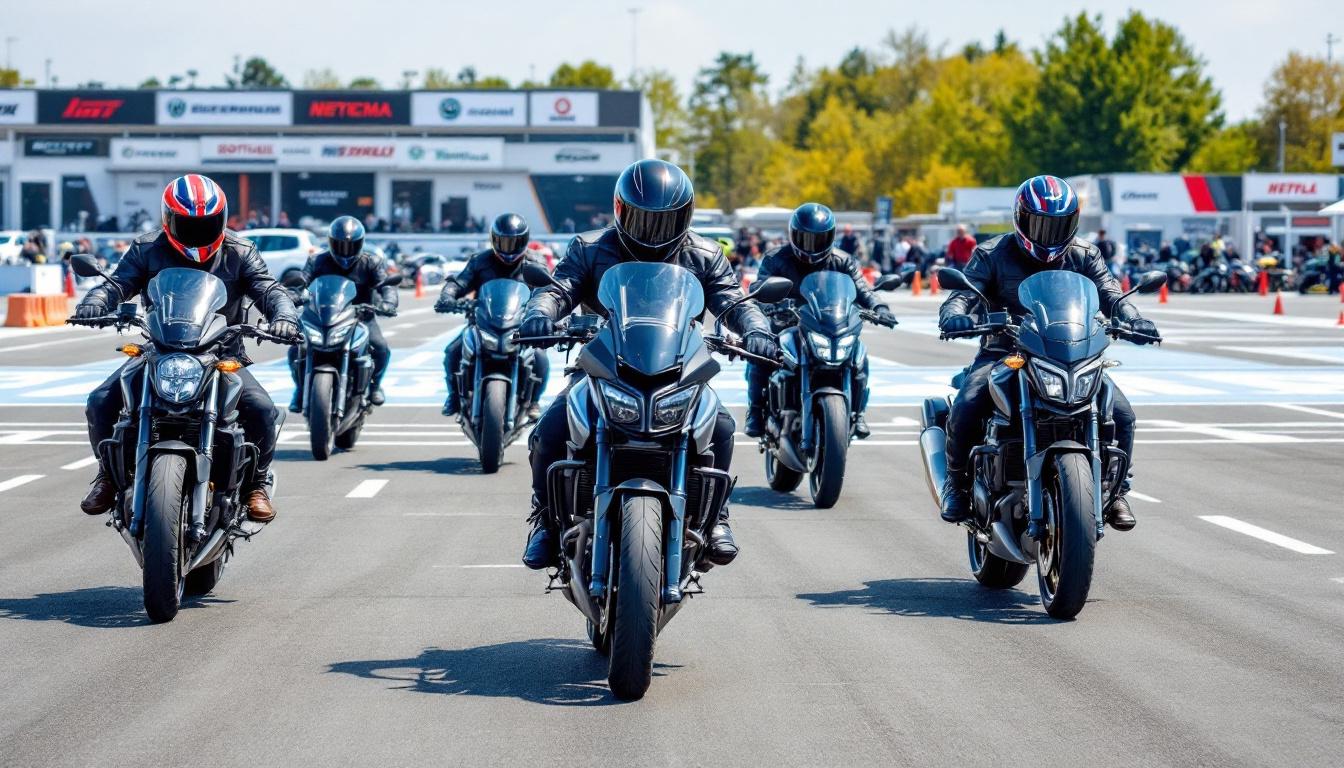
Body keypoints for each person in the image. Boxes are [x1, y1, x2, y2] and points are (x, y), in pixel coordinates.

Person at [517, 159, 777, 570]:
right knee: (549, 430)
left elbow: (732, 300)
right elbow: (559, 288)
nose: (652, 231)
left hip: (678, 368)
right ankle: (546, 522)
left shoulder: (705, 254)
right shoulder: (589, 248)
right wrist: (540, 313)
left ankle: (717, 519)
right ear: (620, 210)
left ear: (685, 216)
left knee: (722, 428)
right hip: (603, 365)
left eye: (664, 221)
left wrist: (756, 328)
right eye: (642, 219)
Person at [937, 175, 1160, 532]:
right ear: (1021, 218)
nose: (1049, 233)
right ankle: (957, 483)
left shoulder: (1085, 254)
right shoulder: (992, 254)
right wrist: (955, 315)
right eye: (1040, 224)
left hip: (1070, 353)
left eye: (1058, 225)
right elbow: (962, 295)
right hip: (1005, 351)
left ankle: (1117, 491)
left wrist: (1134, 318)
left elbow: (1111, 294)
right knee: (968, 401)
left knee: (1122, 414)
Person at [75, 174, 298, 523]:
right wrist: (96, 301)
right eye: (188, 224)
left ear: (221, 220)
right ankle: (107, 475)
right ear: (168, 220)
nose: (197, 232)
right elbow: (117, 283)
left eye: (206, 224)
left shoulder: (240, 251)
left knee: (262, 410)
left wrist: (284, 316)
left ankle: (256, 485)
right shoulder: (147, 248)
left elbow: (269, 289)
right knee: (101, 401)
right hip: (159, 350)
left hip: (222, 354)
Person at [743, 202, 896, 440]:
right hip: (786, 324)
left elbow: (862, 289)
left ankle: (858, 413)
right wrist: (768, 303)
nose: (811, 245)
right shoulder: (776, 258)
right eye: (805, 238)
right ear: (793, 235)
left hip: (826, 323)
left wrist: (879, 307)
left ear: (831, 237)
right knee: (761, 353)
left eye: (819, 239)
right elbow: (760, 287)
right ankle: (755, 410)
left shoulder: (843, 261)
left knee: (858, 355)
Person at [435, 213, 551, 419]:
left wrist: (545, 312)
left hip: (520, 326)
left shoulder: (535, 262)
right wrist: (448, 296)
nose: (509, 248)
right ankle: (453, 395)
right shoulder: (480, 261)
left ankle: (534, 401)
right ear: (494, 240)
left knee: (540, 357)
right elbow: (460, 282)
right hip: (482, 324)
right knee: (453, 351)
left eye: (514, 242)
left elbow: (547, 291)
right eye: (503, 242)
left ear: (524, 240)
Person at [287, 215, 397, 411]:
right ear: (331, 242)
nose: (345, 251)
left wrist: (388, 302)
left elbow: (385, 285)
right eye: (340, 245)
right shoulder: (317, 260)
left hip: (361, 317)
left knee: (381, 348)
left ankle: (375, 386)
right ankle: (300, 388)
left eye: (351, 246)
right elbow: (302, 281)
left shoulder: (371, 262)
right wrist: (292, 295)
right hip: (321, 316)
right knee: (296, 348)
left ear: (360, 243)